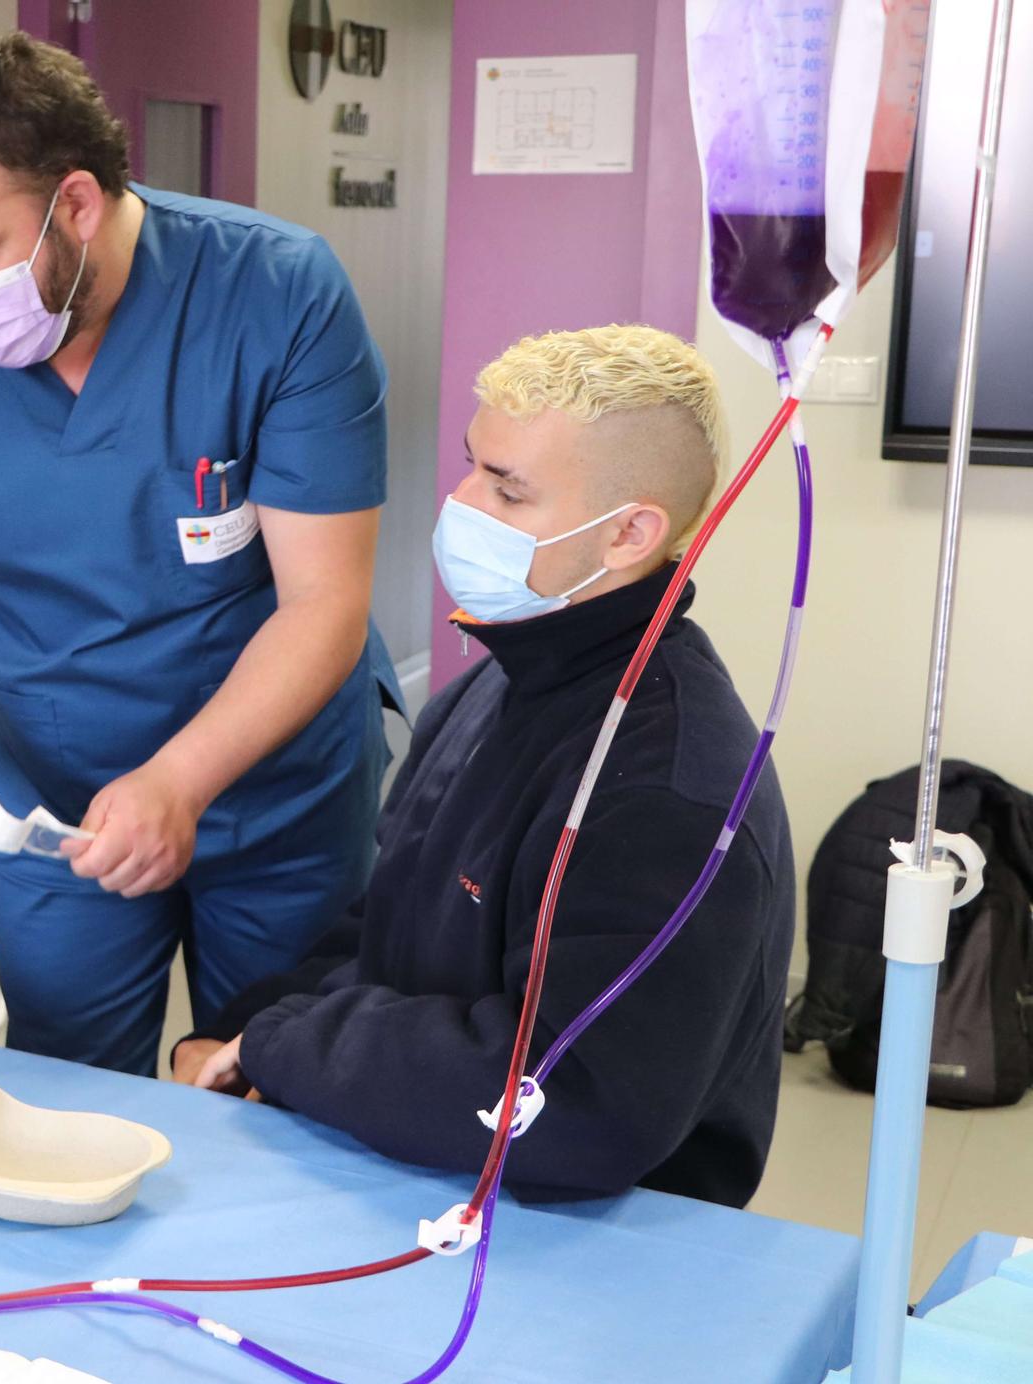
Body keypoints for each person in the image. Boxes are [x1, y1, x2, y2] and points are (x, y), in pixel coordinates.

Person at [0, 34, 403, 1076]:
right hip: (55, 796)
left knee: (279, 1091)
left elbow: (323, 605)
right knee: (66, 1102)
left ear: (77, 205)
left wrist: (181, 779)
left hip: (277, 793)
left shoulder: (276, 297)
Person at [173, 326, 793, 1208]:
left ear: (629, 534)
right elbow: (379, 927)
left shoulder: (666, 787)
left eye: (507, 489)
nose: (460, 502)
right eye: (472, 466)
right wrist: (234, 1037)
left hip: (582, 1232)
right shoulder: (492, 690)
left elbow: (582, 1102)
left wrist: (287, 1047)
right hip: (415, 1164)